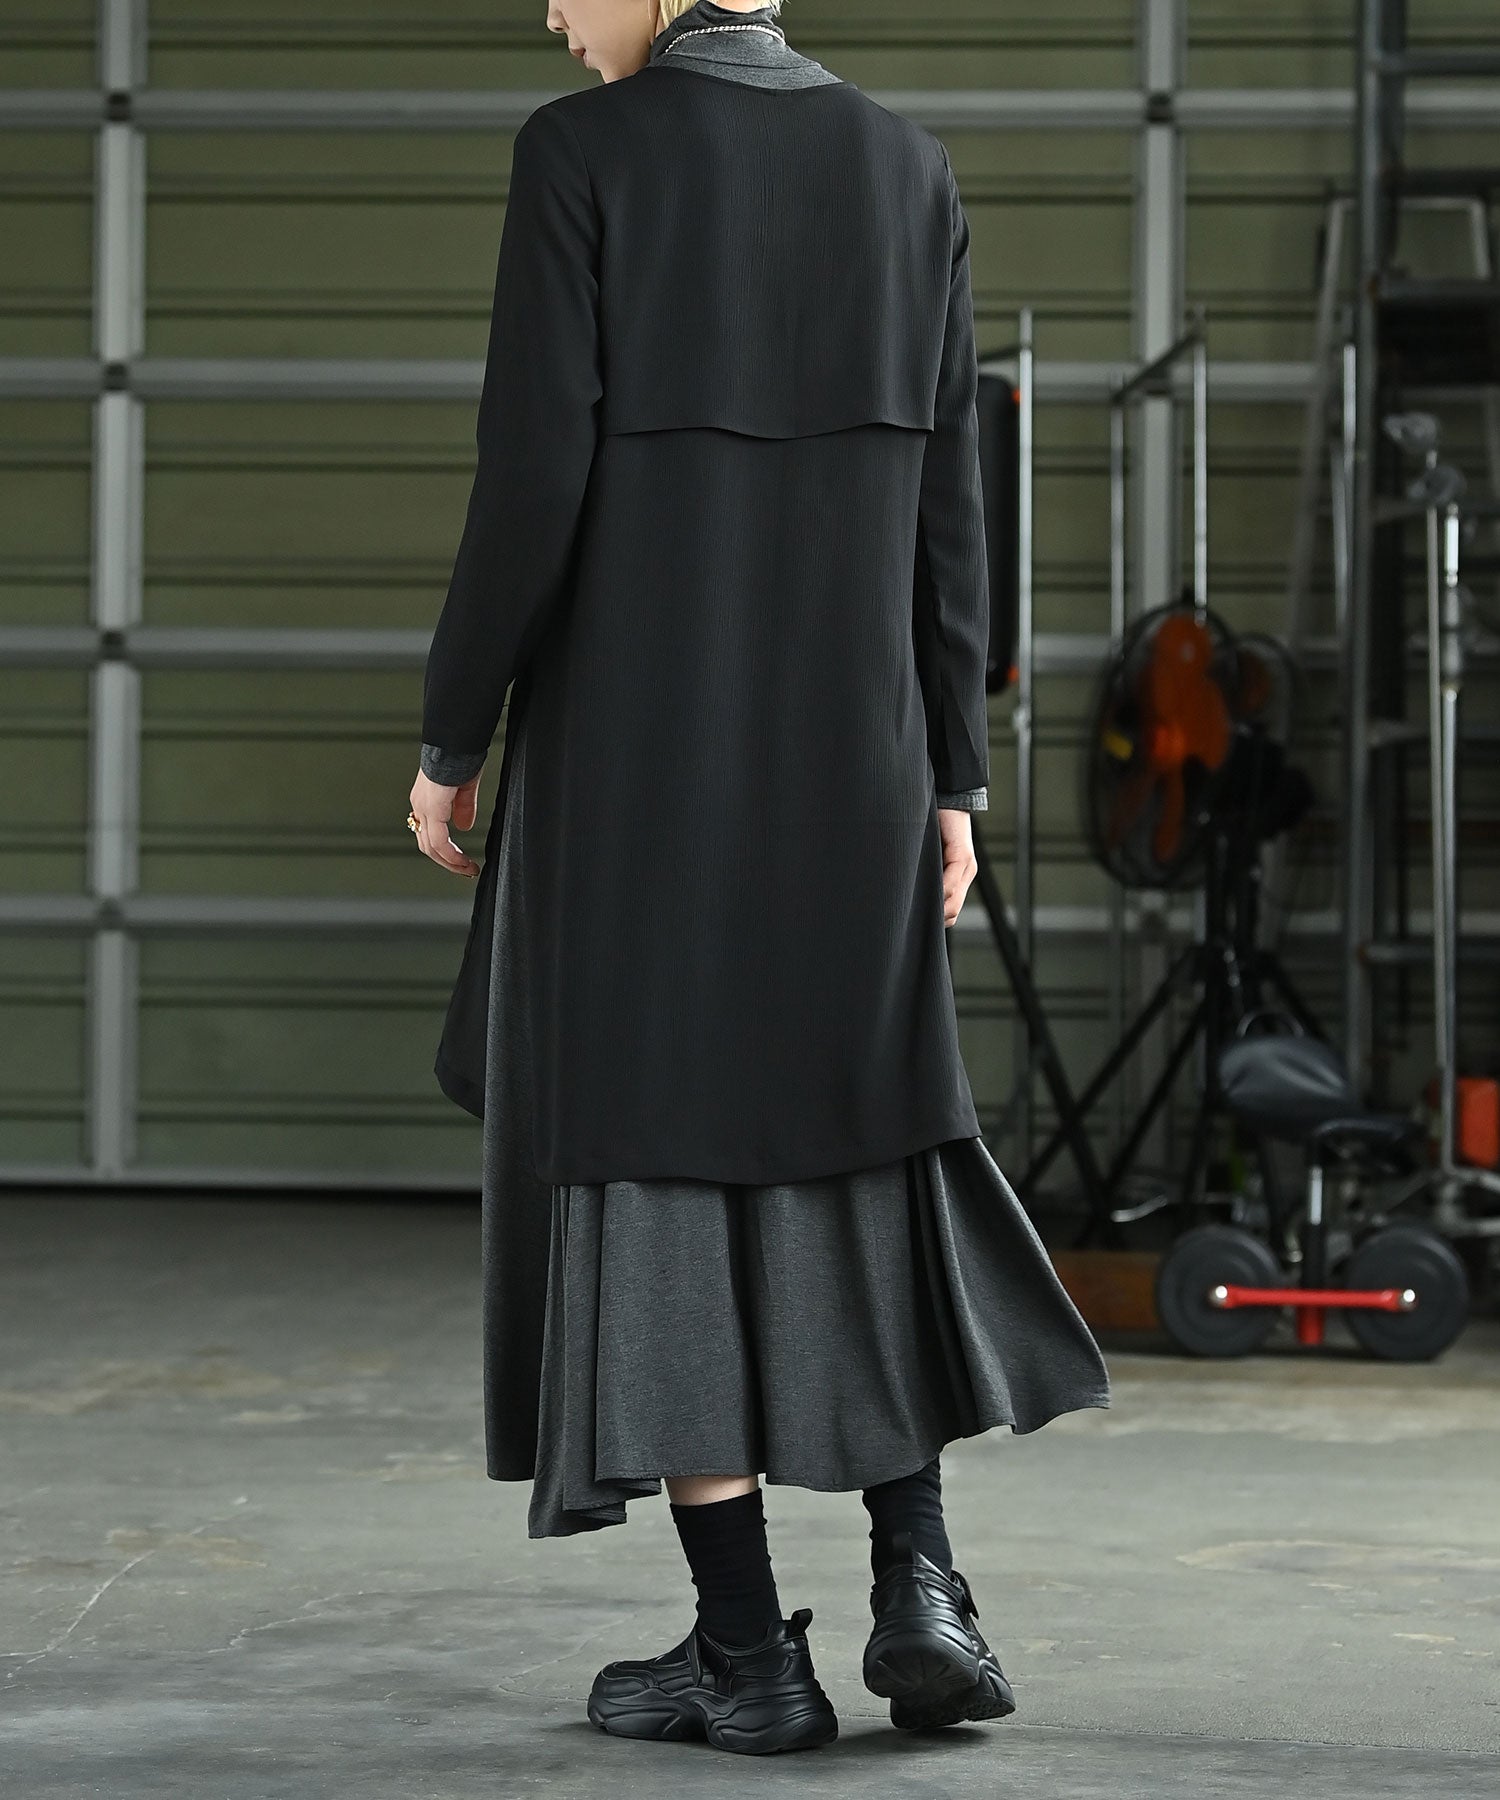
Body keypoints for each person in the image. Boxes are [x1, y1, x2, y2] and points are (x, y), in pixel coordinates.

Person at [405, 0, 1111, 1757]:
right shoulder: (905, 167)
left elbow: (531, 469)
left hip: (638, 763)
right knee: (860, 1136)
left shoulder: (582, 156)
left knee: (656, 1164)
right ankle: (918, 1578)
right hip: (856, 755)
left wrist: (453, 729)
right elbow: (953, 505)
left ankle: (744, 1653)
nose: (554, 15)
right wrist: (950, 771)